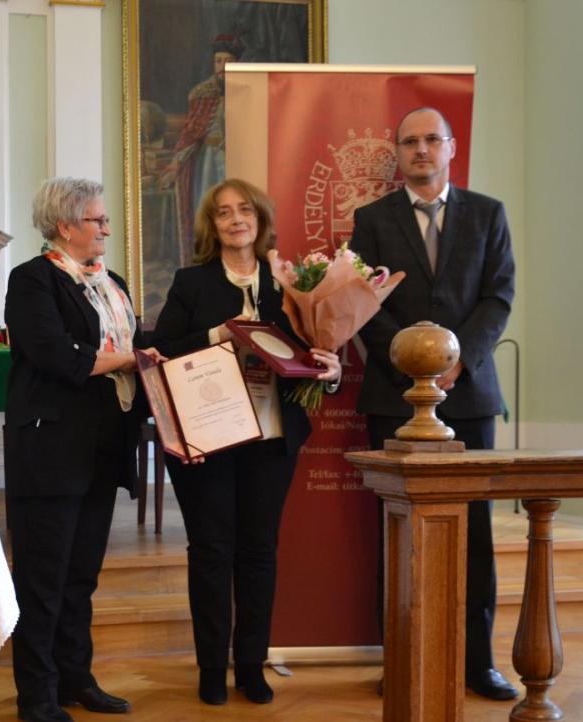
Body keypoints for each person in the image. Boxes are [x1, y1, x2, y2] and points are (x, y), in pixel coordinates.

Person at [152, 178, 341, 706]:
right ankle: (212, 668)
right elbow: (161, 348)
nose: (236, 219)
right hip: (209, 436)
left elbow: (314, 354)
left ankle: (251, 665)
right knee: (212, 552)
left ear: (259, 219)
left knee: (259, 552)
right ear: (212, 226)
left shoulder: (291, 283)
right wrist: (218, 334)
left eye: (245, 210)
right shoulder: (192, 282)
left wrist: (330, 372)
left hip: (271, 437)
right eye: (223, 212)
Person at [349, 107, 518, 701]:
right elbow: (362, 300)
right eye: (409, 141)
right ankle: (401, 659)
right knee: (396, 534)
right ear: (397, 154)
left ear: (450, 147)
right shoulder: (371, 220)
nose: (421, 149)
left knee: (476, 535)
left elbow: (498, 297)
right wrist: (413, 360)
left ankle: (479, 663)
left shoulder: (488, 213)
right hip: (394, 394)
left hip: (467, 394)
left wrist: (456, 359)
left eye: (431, 139)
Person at [4, 177, 162, 722]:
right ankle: (37, 696)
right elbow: (55, 354)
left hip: (104, 444)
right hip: (51, 449)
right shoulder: (32, 280)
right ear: (65, 225)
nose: (106, 229)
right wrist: (130, 360)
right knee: (43, 580)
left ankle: (76, 678)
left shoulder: (112, 282)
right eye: (97, 220)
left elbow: (135, 344)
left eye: (104, 219)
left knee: (81, 576)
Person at [160, 35, 242, 268]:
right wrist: (176, 163)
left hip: (239, 161)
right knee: (208, 211)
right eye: (218, 61)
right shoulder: (202, 93)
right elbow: (191, 133)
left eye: (228, 61)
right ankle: (208, 261)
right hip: (209, 163)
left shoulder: (248, 90)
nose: (222, 66)